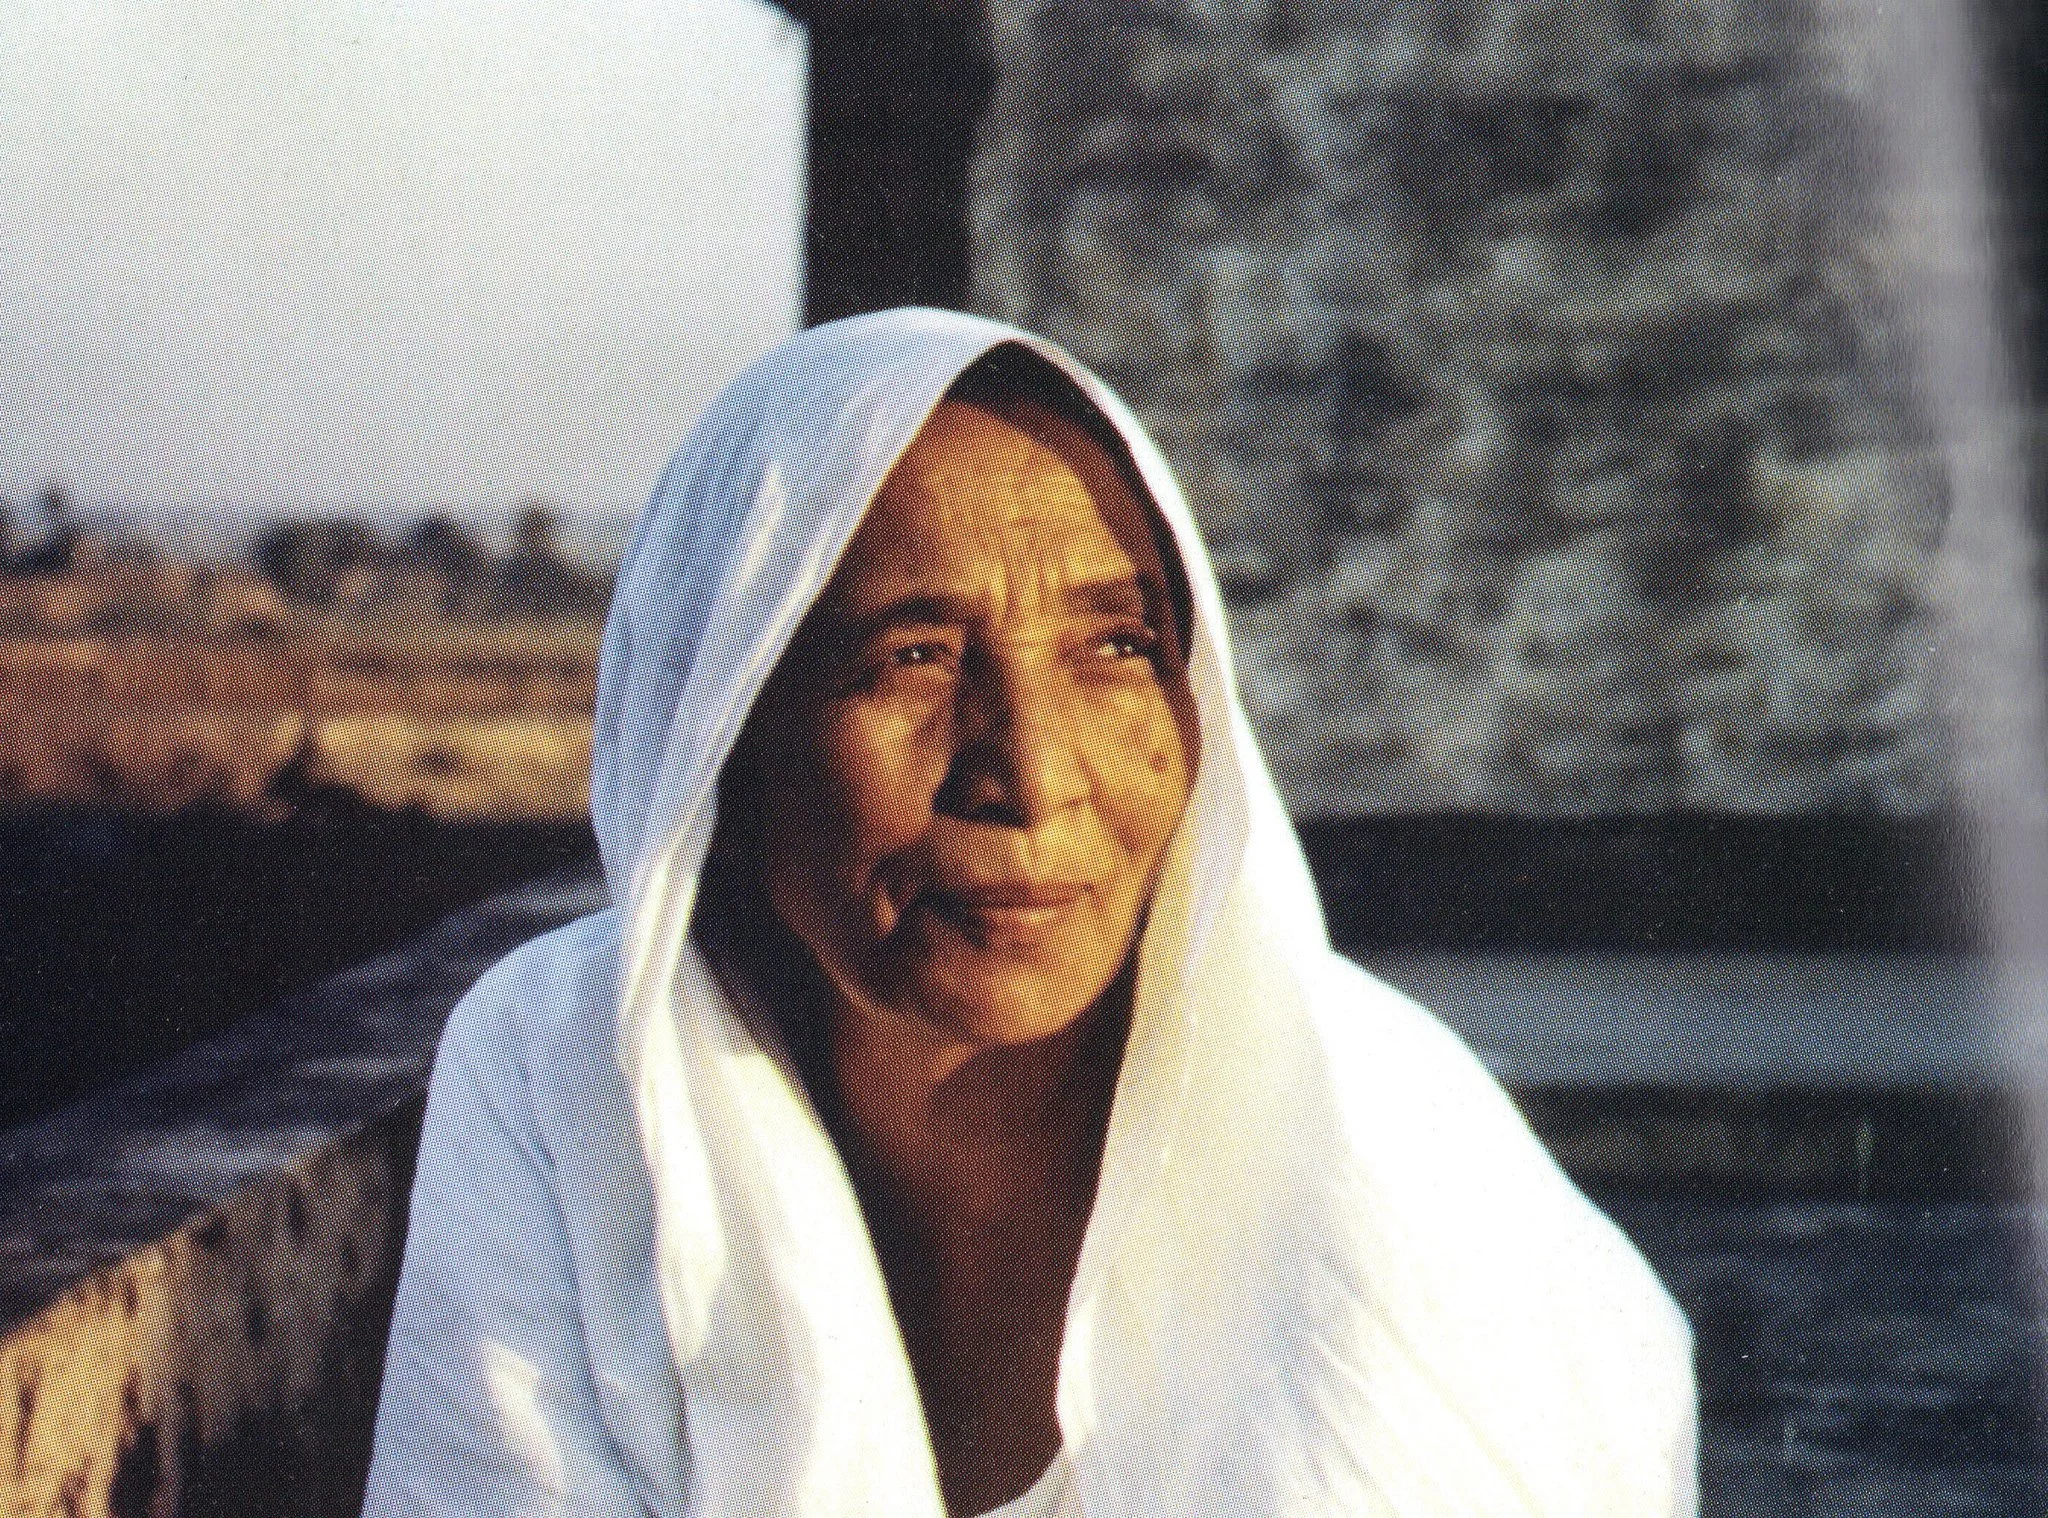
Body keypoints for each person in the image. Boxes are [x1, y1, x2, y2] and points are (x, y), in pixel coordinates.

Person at [361, 307, 1696, 1518]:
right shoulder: (562, 1064)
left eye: (1117, 649)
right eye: (911, 656)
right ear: (724, 729)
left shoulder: (1390, 1164)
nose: (1031, 774)